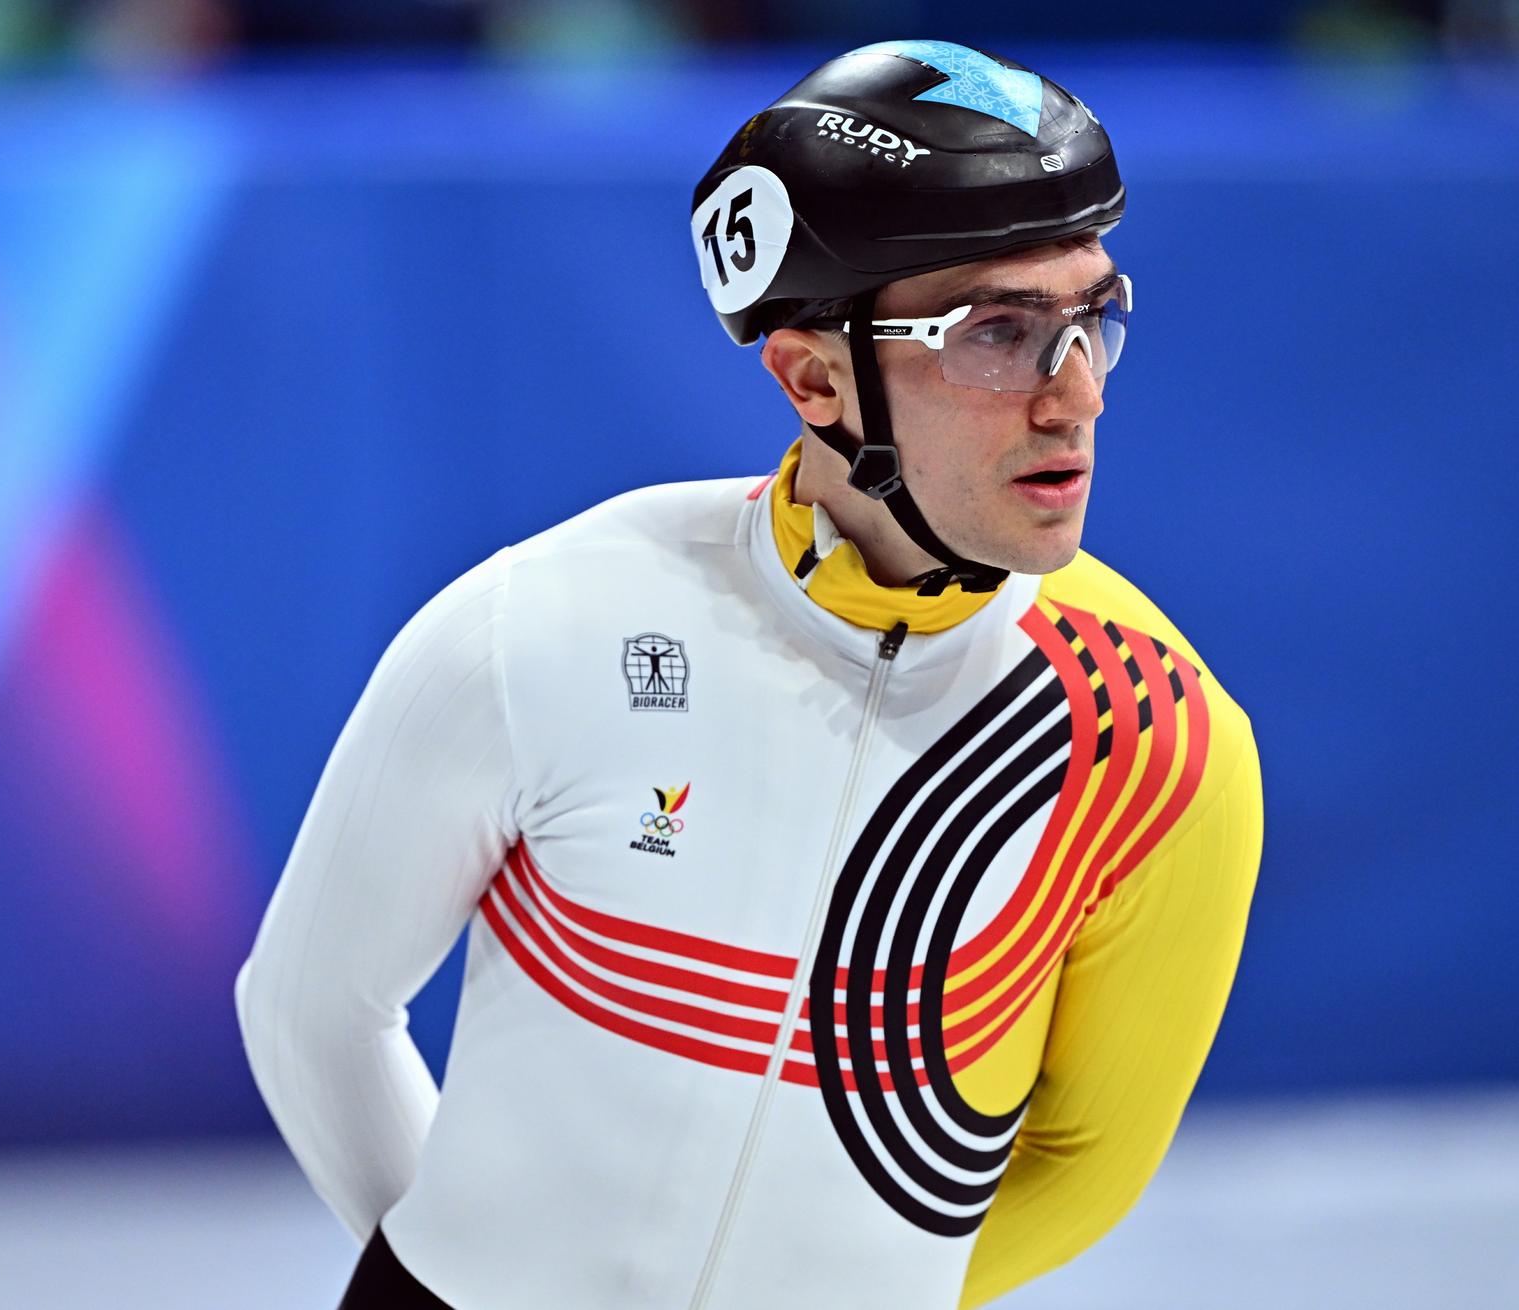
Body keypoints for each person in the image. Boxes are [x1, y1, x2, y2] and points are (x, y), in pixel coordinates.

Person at [236, 39, 1263, 1310]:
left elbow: (1087, 1164)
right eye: (999, 330)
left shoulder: (1153, 736)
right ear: (813, 374)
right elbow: (308, 1009)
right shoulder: (549, 619)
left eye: (1092, 317)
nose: (1077, 396)